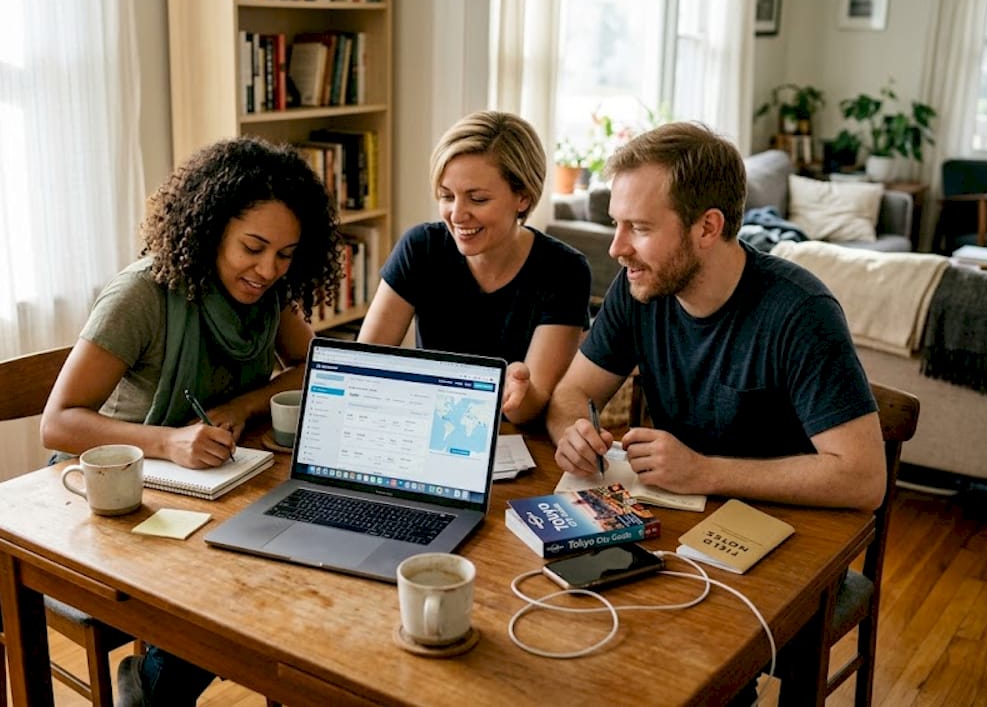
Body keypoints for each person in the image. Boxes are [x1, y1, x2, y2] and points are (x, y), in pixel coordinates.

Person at [40, 136, 343, 706]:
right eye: (253, 247)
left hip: (211, 484)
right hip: (118, 490)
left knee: (293, 560)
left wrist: (241, 406)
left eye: (285, 254)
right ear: (211, 228)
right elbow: (57, 424)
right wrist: (167, 442)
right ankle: (154, 692)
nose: (267, 270)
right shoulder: (141, 294)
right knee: (235, 579)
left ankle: (153, 686)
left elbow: (313, 364)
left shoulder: (268, 293)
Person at [546, 122, 885, 512]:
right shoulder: (637, 286)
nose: (617, 248)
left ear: (707, 227)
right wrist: (573, 434)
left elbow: (864, 479)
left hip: (788, 533)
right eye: (615, 224)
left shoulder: (802, 311)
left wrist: (705, 471)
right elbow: (572, 394)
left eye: (639, 228)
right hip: (681, 522)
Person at [356, 110, 591, 425]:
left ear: (523, 197)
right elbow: (363, 366)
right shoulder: (421, 248)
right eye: (446, 196)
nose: (457, 214)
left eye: (477, 199)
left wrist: (519, 390)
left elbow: (530, 407)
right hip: (430, 429)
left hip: (517, 442)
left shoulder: (564, 270)